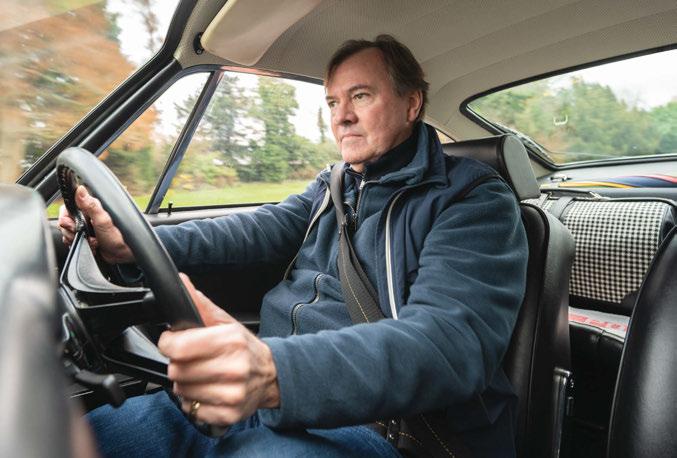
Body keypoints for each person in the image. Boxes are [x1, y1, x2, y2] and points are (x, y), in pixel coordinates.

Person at [59, 35, 528, 457]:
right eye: (332, 102)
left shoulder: (472, 199)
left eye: (361, 96)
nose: (341, 116)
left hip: (377, 425)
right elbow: (251, 231)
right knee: (88, 436)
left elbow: (448, 344)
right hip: (261, 398)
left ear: (411, 104)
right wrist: (128, 244)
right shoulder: (334, 185)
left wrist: (273, 371)